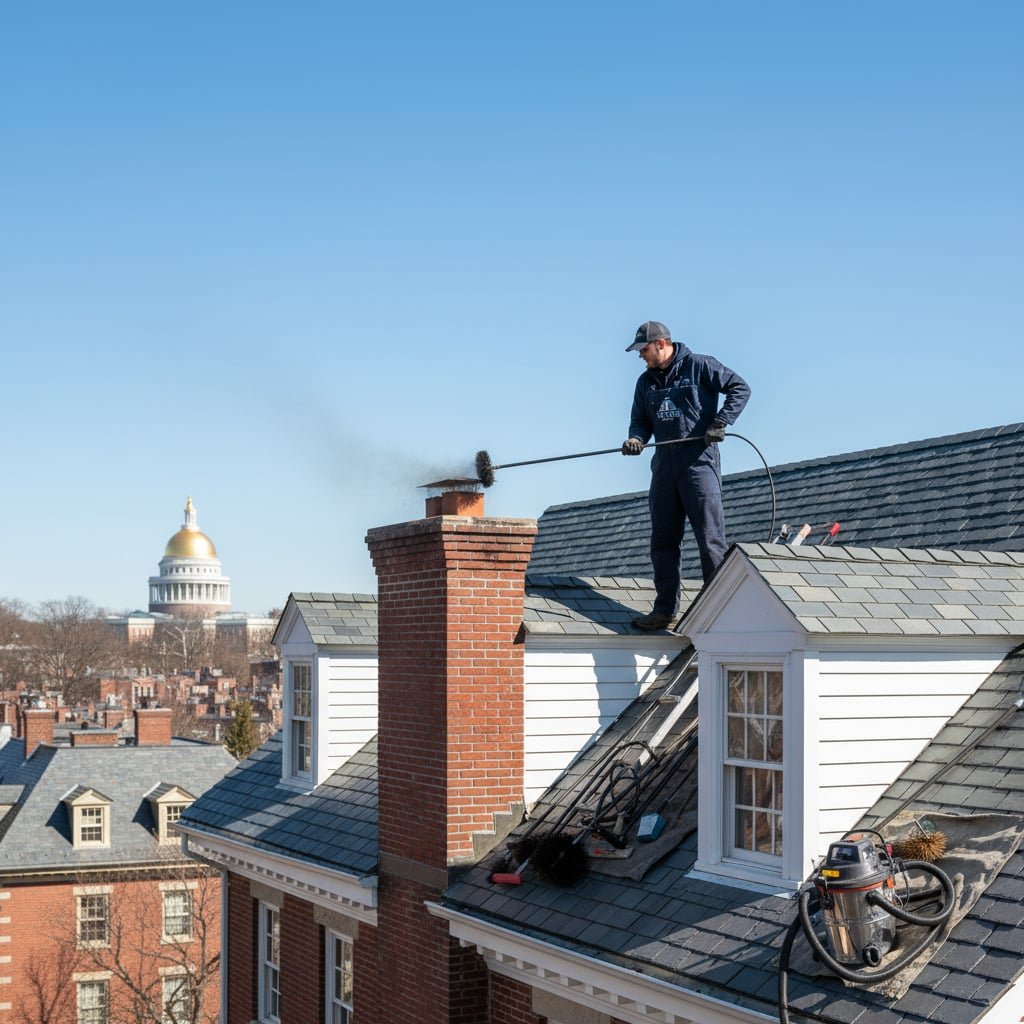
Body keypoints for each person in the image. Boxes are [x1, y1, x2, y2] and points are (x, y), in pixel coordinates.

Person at [621, 320, 750, 630]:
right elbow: (639, 420)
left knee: (710, 540)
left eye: (644, 350)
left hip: (699, 466)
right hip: (664, 468)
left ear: (662, 344)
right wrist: (636, 438)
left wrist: (720, 422)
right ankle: (665, 610)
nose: (641, 356)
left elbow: (740, 388)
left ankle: (721, 612)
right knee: (663, 542)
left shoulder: (699, 366)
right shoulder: (645, 383)